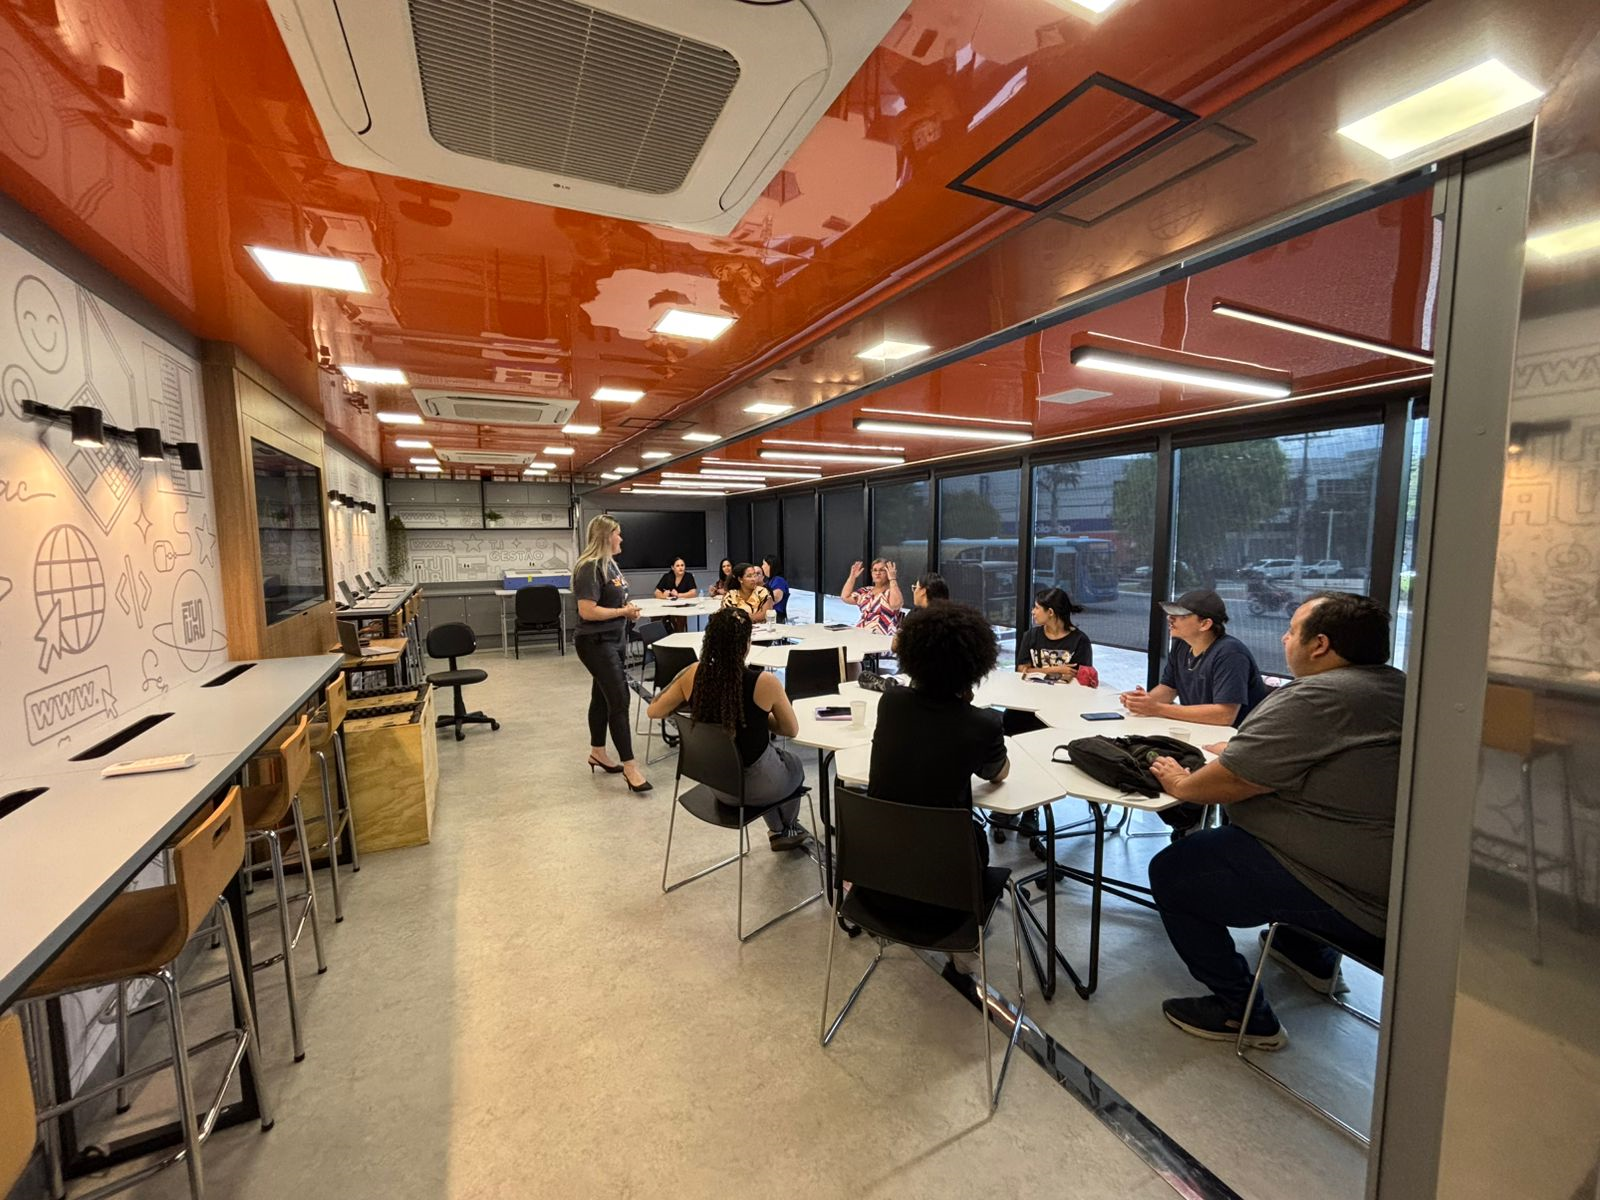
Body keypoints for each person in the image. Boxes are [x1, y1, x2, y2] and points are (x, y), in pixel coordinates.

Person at [1144, 592, 1404, 1049]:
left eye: (1291, 630)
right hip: (1388, 878)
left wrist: (1181, 783)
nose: (1284, 639)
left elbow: (1231, 780)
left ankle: (1243, 1014)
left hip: (1345, 891)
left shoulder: (1320, 695)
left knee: (1174, 871)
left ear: (1319, 645)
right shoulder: (1395, 687)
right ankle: (1309, 956)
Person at [648, 610, 808, 850]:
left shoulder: (693, 675)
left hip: (720, 786)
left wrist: (697, 704)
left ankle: (780, 831)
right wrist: (757, 717)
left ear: (709, 641)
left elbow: (654, 710)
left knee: (773, 763)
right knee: (792, 764)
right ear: (747, 643)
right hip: (759, 785)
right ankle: (785, 829)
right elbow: (790, 729)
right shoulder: (764, 682)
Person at [1119, 589, 1269, 837]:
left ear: (1205, 624)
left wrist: (1157, 708)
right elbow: (1168, 689)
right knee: (1150, 761)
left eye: (1180, 615)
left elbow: (1225, 715)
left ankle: (1191, 824)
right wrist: (1142, 702)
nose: (1171, 619)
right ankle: (1185, 824)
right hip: (1198, 736)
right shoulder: (1181, 646)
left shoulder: (1230, 653)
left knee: (1168, 769)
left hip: (1232, 744)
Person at [869, 603, 1009, 864]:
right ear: (977, 665)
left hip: (881, 859)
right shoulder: (983, 724)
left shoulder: (891, 702)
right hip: (949, 865)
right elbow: (999, 773)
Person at [571, 515, 650, 792]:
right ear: (606, 536)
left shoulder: (610, 565)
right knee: (619, 699)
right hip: (596, 642)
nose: (621, 538)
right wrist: (622, 612)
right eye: (618, 533)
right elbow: (587, 611)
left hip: (615, 640)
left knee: (601, 698)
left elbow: (615, 600)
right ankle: (630, 767)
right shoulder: (589, 567)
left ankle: (598, 752)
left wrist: (627, 611)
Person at [1015, 587, 1093, 679]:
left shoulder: (1080, 641)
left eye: (1037, 608)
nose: (1033, 612)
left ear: (1050, 612)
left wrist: (1035, 670)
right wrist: (1054, 670)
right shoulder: (1031, 635)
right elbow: (1021, 670)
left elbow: (1083, 676)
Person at [841, 559, 903, 634]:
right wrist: (852, 577)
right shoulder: (866, 591)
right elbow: (845, 597)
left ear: (888, 572)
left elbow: (896, 604)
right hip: (861, 632)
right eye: (875, 570)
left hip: (884, 635)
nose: (878, 573)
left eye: (882, 570)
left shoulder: (892, 592)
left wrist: (892, 579)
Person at [761, 555, 789, 622]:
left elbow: (776, 598)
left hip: (776, 615)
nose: (762, 566)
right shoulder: (769, 581)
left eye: (764, 564)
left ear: (770, 565)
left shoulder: (778, 580)